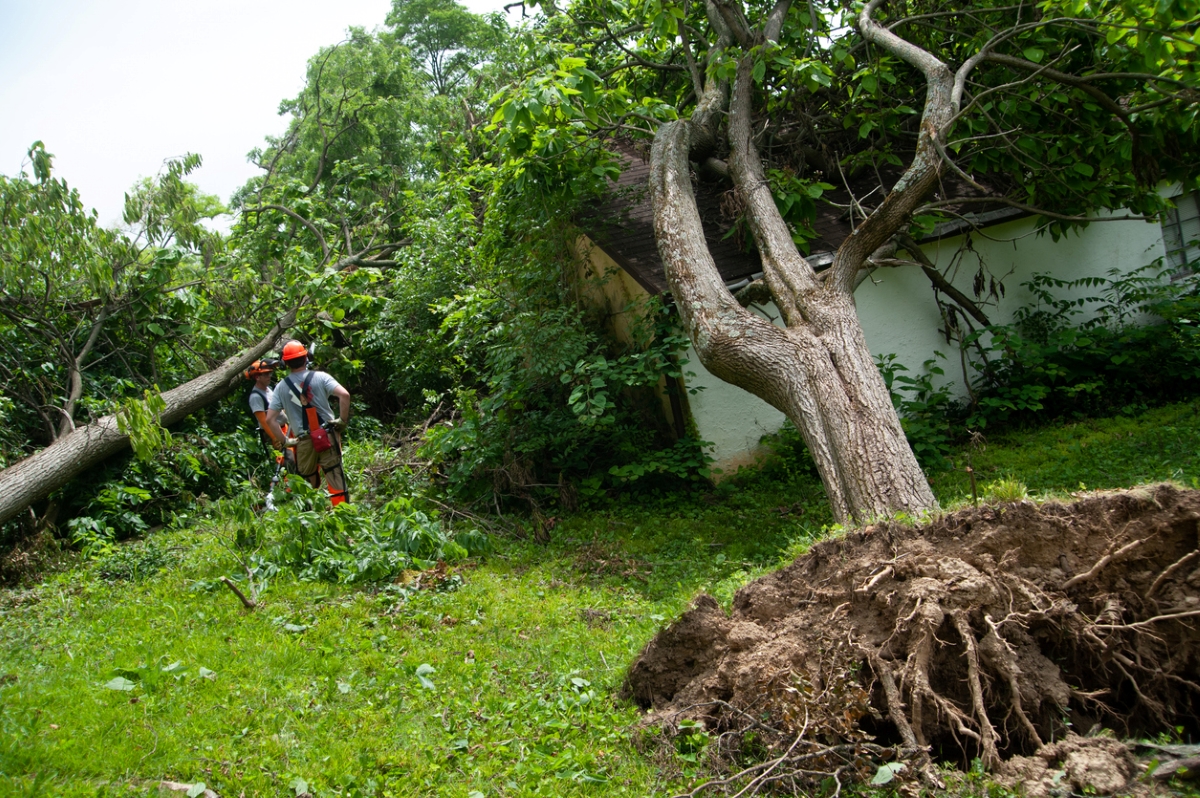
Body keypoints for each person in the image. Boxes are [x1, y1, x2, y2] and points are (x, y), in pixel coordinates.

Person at [265, 340, 351, 507]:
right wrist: (342, 420)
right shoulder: (321, 377)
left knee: (306, 481)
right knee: (335, 474)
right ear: (306, 358)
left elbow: (270, 419)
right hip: (327, 435)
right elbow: (344, 395)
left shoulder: (281, 388)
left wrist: (285, 441)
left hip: (303, 441)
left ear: (285, 363)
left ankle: (310, 519)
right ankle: (343, 515)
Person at [243, 358, 294, 474]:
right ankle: (285, 488)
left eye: (269, 373)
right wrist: (275, 438)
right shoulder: (256, 396)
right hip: (273, 432)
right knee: (287, 461)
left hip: (283, 428)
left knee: (296, 456)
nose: (269, 376)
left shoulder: (267, 390)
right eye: (265, 374)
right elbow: (263, 420)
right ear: (257, 377)